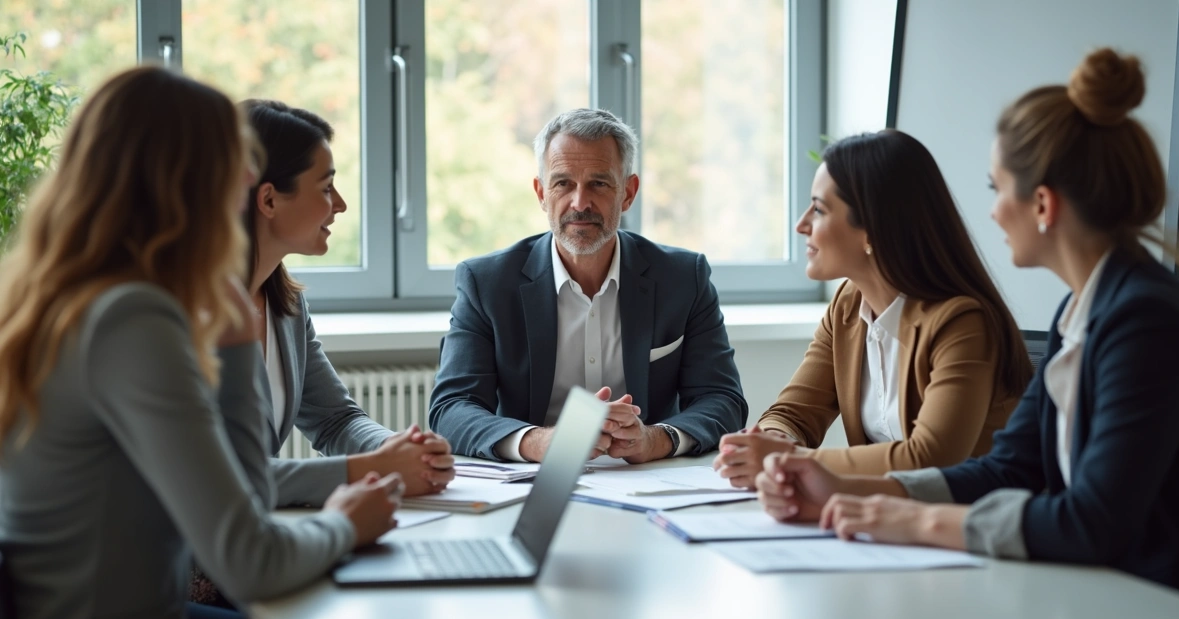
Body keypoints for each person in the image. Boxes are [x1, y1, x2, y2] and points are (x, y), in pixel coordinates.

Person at [755, 48, 1179, 603]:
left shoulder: (1146, 322)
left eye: (998, 189)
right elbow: (1009, 469)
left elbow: (1091, 521)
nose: (993, 211)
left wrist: (914, 521)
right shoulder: (1086, 310)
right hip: (1104, 594)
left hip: (1169, 605)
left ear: (1042, 204)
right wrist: (849, 487)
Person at [0, 67, 401, 619]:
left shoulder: (72, 297)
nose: (246, 177)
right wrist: (343, 521)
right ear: (178, 177)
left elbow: (246, 503)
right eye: (231, 159)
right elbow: (251, 560)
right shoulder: (131, 319)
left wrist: (237, 347)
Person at [713, 130, 1032, 488]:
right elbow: (793, 415)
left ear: (870, 230)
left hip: (974, 526)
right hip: (889, 521)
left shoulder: (962, 322)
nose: (801, 225)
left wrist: (787, 459)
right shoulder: (848, 305)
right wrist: (768, 443)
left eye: (818, 209)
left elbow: (930, 458)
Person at [429, 108, 747, 463]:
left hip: (647, 479)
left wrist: (654, 440)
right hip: (530, 480)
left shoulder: (684, 278)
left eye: (599, 183)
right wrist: (540, 442)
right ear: (541, 193)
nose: (580, 203)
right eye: (563, 183)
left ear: (628, 192)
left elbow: (722, 399)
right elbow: (451, 409)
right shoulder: (486, 283)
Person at [240, 100, 454, 508]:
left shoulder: (286, 306)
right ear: (268, 200)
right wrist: (377, 467)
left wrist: (398, 448)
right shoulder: (182, 315)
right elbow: (229, 479)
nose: (339, 204)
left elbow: (334, 418)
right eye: (325, 188)